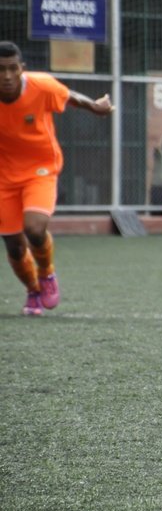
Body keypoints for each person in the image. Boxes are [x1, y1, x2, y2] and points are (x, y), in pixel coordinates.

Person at [0, 41, 114, 315]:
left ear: (22, 69)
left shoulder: (41, 86)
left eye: (12, 69)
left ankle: (47, 274)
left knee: (35, 229)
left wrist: (95, 107)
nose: (6, 76)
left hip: (41, 168)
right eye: (0, 70)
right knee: (14, 247)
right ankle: (32, 292)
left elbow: (68, 96)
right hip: (3, 177)